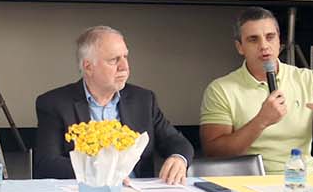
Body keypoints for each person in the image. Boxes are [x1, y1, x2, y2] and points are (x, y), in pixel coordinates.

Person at [200, 7, 313, 174]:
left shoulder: (308, 80)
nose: (264, 46)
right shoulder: (221, 89)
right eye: (253, 39)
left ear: (279, 41)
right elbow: (215, 153)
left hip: (304, 179)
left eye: (270, 37)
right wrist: (261, 121)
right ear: (240, 47)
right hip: (253, 182)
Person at [33, 26, 194, 183]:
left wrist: (178, 158)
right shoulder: (54, 103)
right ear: (88, 67)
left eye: (125, 57)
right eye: (114, 60)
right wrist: (100, 172)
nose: (125, 67)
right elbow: (47, 164)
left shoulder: (143, 100)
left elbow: (177, 142)